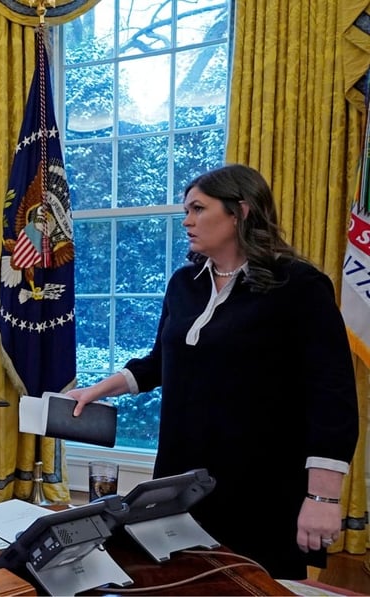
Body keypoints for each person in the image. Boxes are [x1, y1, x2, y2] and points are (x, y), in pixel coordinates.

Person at [66, 164, 358, 579]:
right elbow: (160, 363)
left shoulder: (299, 285)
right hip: (181, 478)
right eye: (187, 209)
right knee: (182, 580)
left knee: (257, 582)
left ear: (240, 211)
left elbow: (333, 394)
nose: (186, 220)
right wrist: (96, 391)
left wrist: (323, 499)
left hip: (263, 483)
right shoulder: (184, 283)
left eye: (198, 208)